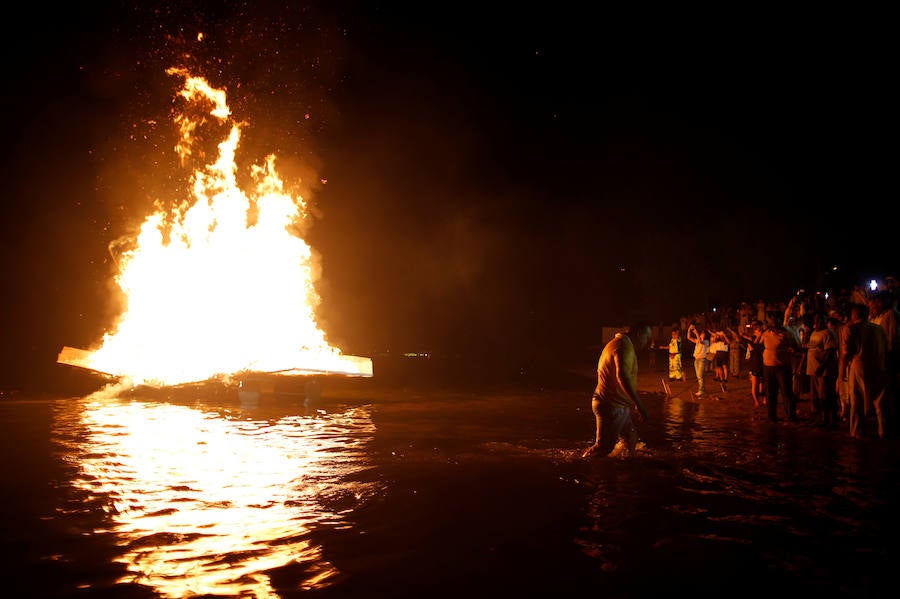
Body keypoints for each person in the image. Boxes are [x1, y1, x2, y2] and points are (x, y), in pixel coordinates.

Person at [582, 321, 653, 459]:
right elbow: (622, 377)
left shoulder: (619, 343)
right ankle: (582, 464)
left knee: (630, 438)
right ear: (639, 334)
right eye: (647, 337)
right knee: (603, 448)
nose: (648, 342)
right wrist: (639, 405)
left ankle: (626, 464)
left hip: (617, 403)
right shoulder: (623, 347)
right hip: (611, 404)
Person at [838, 302, 888, 438]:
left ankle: (857, 431)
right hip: (878, 365)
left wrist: (841, 375)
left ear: (855, 314)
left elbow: (845, 353)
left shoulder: (851, 329)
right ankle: (882, 429)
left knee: (856, 399)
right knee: (878, 400)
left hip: (858, 364)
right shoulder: (879, 329)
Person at [761, 316, 802, 422]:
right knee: (770, 392)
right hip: (768, 366)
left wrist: (792, 350)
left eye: (774, 323)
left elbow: (796, 346)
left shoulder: (786, 334)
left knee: (786, 392)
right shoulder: (766, 333)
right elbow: (758, 344)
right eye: (771, 323)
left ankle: (791, 416)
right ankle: (771, 416)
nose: (772, 325)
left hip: (782, 367)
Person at [805, 311, 839, 427]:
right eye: (816, 320)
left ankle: (830, 420)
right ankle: (822, 418)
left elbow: (830, 352)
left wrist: (822, 367)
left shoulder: (828, 334)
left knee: (826, 396)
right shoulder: (814, 332)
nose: (817, 322)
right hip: (813, 370)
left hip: (824, 371)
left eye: (820, 320)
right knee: (818, 397)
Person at [740, 320, 766, 408]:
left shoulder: (763, 337)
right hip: (755, 363)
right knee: (755, 384)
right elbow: (754, 347)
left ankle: (765, 400)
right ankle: (756, 401)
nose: (759, 329)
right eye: (757, 328)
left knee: (763, 383)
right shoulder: (751, 339)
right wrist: (758, 335)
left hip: (763, 362)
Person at [687, 323, 710, 398]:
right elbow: (689, 337)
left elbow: (700, 342)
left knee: (700, 375)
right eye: (701, 334)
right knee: (699, 376)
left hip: (702, 360)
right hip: (696, 359)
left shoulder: (706, 342)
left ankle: (701, 390)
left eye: (703, 334)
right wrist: (689, 330)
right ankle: (702, 389)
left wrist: (696, 332)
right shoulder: (697, 340)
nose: (702, 335)